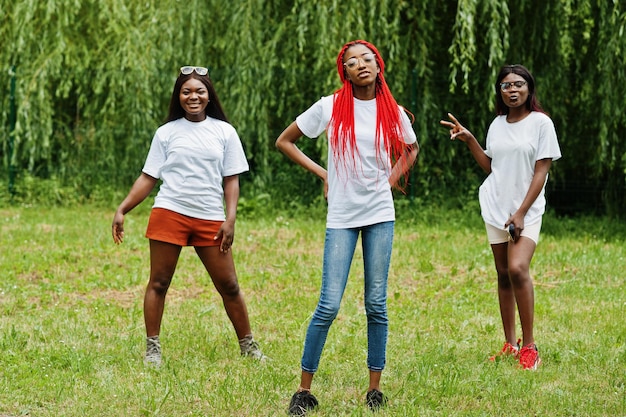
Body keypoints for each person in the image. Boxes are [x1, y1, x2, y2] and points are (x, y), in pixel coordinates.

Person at [276, 40, 419, 415]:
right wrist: (326, 173)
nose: (361, 66)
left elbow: (411, 149)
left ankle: (374, 390)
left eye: (366, 59)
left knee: (376, 303)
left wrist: (389, 181)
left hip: (380, 215)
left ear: (378, 65)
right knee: (329, 304)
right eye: (352, 62)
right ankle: (304, 391)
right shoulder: (330, 106)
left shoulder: (392, 110)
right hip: (341, 215)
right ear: (346, 72)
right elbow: (285, 141)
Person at [112, 65, 265, 367]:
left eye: (199, 91)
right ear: (178, 96)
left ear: (209, 96)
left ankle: (248, 346)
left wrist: (230, 218)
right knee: (159, 283)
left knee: (230, 286)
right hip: (170, 212)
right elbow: (148, 177)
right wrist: (123, 208)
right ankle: (152, 348)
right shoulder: (166, 133)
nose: (192, 96)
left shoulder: (225, 131)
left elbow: (231, 179)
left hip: (210, 217)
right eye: (186, 91)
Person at [440, 64, 561, 370]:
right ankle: (510, 343)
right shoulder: (497, 124)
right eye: (506, 86)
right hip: (495, 207)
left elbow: (542, 170)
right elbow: (493, 167)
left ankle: (530, 346)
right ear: (500, 91)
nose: (512, 90)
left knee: (518, 268)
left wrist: (520, 213)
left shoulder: (541, 124)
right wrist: (470, 140)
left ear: (529, 88)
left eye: (518, 84)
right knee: (503, 273)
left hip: (526, 211)